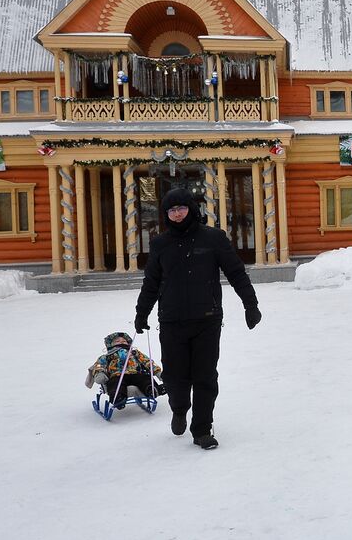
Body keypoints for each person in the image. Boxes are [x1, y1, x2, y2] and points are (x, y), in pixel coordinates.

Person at [135, 186, 261, 450]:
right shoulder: (160, 244)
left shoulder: (213, 238)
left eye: (181, 208)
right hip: (171, 320)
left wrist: (250, 304)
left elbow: (236, 272)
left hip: (207, 319)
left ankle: (202, 428)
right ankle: (179, 409)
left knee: (205, 377)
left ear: (191, 209)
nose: (177, 214)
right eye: (171, 210)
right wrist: (141, 312)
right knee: (173, 376)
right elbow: (151, 282)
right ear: (166, 214)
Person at [85, 331, 164, 411]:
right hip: (117, 376)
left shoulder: (134, 353)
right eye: (117, 341)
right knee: (115, 383)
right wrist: (100, 373)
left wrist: (158, 372)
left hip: (136, 374)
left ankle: (152, 389)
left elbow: (147, 362)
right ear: (110, 345)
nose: (121, 342)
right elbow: (99, 365)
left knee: (144, 378)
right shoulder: (107, 356)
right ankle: (118, 398)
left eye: (124, 341)